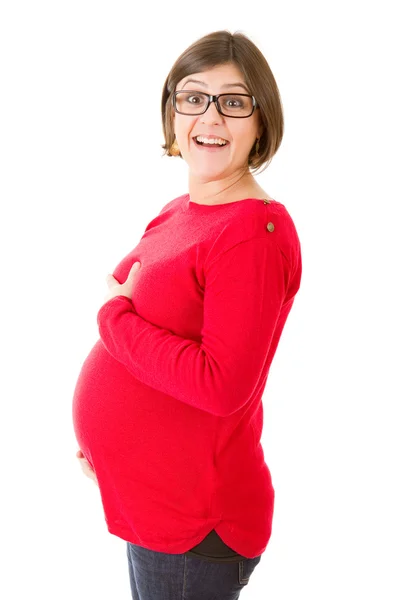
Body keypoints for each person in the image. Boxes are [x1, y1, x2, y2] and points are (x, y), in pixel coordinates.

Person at [73, 29, 302, 599]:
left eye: (234, 102)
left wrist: (113, 321)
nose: (211, 117)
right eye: (194, 97)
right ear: (173, 114)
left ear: (261, 121)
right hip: (158, 506)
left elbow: (222, 385)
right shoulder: (183, 209)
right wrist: (119, 454)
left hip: (197, 524)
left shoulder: (252, 233)